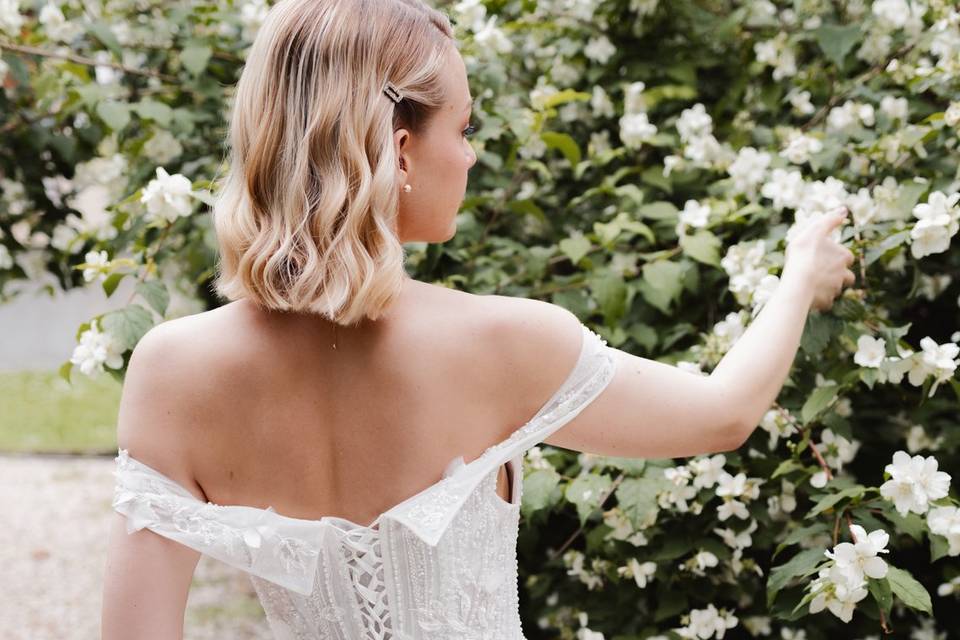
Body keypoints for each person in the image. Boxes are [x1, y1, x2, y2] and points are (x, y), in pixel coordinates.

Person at [100, 0, 856, 637]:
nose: (470, 157)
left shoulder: (171, 369)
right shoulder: (509, 342)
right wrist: (798, 280)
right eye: (462, 130)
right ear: (400, 150)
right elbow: (721, 414)